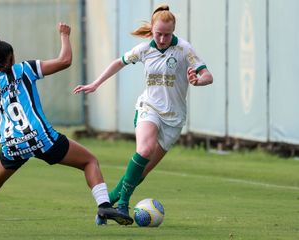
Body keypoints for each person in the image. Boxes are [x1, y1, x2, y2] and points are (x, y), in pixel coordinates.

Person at [0, 23, 133, 237]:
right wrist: (64, 35)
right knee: (90, 161)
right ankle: (104, 205)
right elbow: (65, 61)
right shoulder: (23, 69)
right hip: (40, 137)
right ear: (12, 57)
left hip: (12, 144)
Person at [73, 5, 213, 225]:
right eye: (158, 33)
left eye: (167, 34)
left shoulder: (184, 49)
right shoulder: (144, 49)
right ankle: (123, 205)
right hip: (149, 108)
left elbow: (207, 75)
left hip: (174, 119)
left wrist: (198, 80)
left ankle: (106, 206)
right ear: (153, 29)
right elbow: (118, 62)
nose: (162, 38)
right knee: (144, 149)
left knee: (141, 172)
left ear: (173, 30)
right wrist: (95, 83)